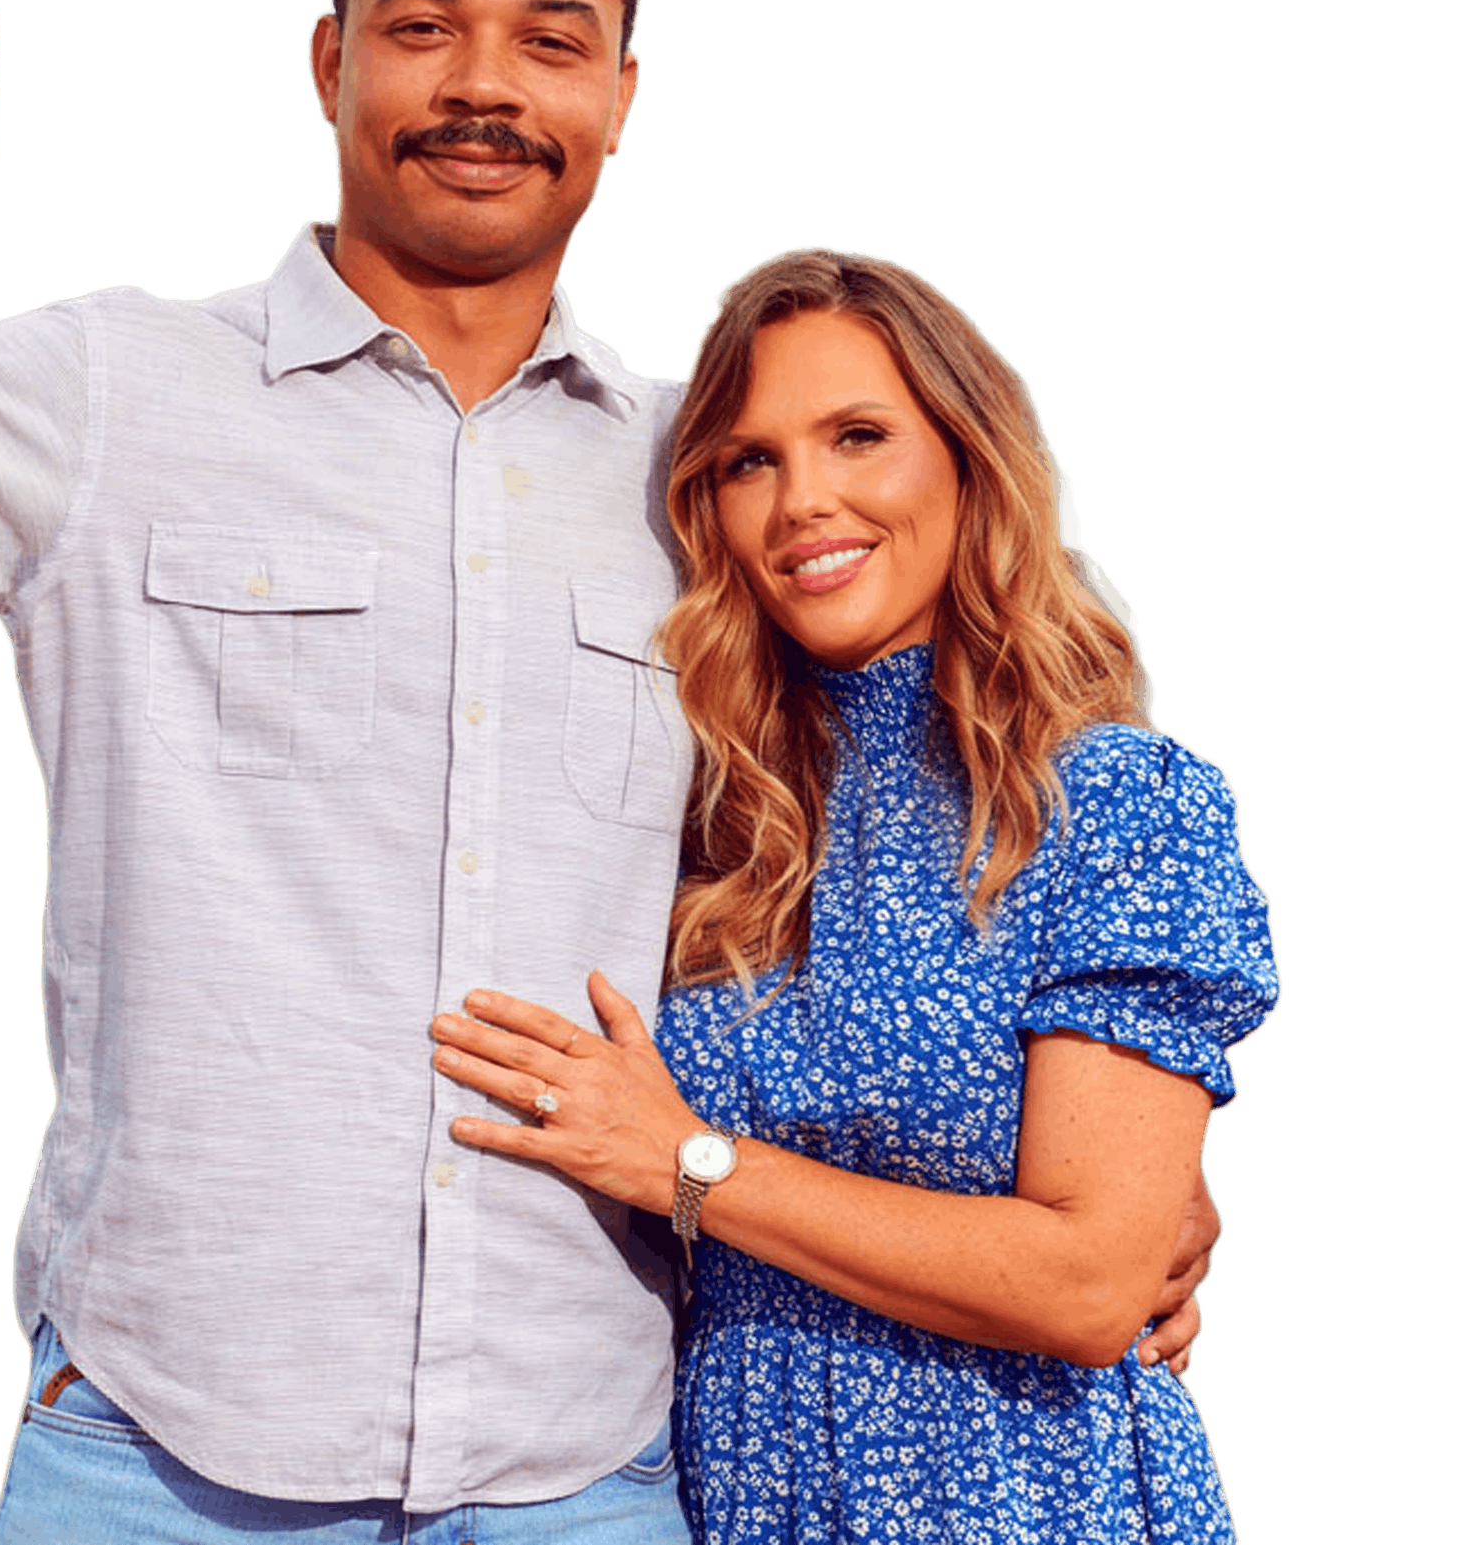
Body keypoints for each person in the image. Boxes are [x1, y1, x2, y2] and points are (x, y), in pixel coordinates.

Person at [0, 0, 1222, 1540]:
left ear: (623, 95)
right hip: (157, 1466)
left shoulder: (712, 484)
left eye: (551, 38)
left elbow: (918, 871)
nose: (484, 84)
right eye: (422, 27)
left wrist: (1119, 1197)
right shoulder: (107, 392)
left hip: (603, 1485)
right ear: (330, 61)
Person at [430, 245, 1279, 1541]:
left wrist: (689, 1164)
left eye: (858, 436)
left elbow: (1091, 1283)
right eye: (749, 461)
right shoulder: (704, 810)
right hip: (733, 1490)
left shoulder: (1113, 803)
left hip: (1024, 1497)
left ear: (965, 455)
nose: (802, 502)